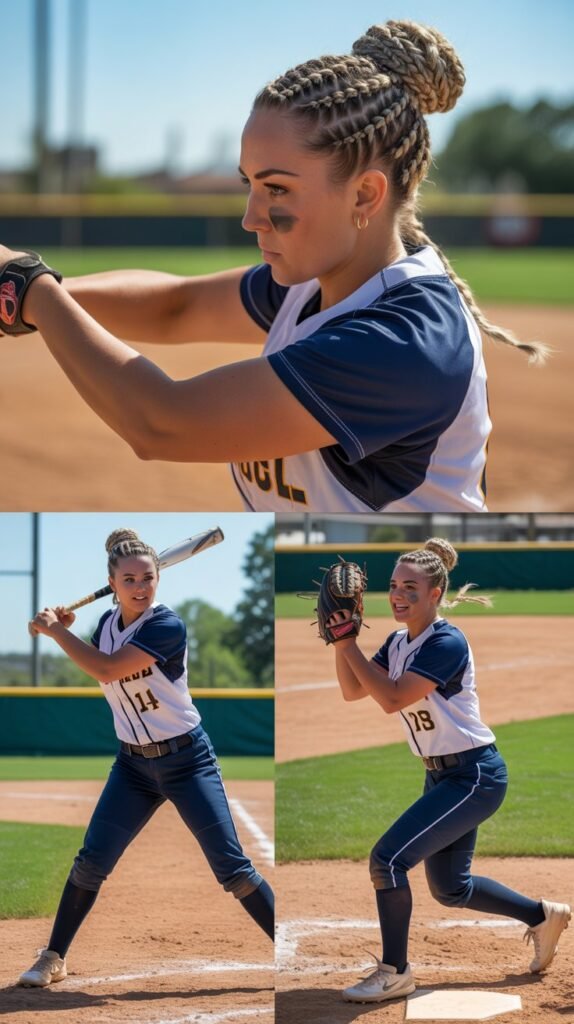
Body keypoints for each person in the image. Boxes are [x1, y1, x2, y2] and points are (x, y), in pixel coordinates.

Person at [0, 21, 548, 513]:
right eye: (250, 183)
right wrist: (29, 296)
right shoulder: (317, 281)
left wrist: (32, 291)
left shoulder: (405, 342)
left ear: (364, 195)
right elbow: (176, 307)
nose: (251, 217)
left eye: (277, 189)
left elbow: (162, 423)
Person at [18, 528, 274, 988]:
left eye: (148, 578)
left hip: (186, 761)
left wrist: (56, 631)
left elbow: (106, 668)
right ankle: (52, 955)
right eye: (130, 579)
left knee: (232, 870)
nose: (141, 587)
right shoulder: (106, 625)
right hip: (133, 767)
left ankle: (284, 949)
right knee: (90, 862)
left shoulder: (165, 625)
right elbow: (99, 656)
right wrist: (68, 632)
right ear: (112, 583)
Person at [325, 537, 569, 1004]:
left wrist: (348, 642)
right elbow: (352, 690)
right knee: (451, 888)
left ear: (435, 593)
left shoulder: (446, 641)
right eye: (394, 586)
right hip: (443, 775)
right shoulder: (398, 642)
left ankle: (394, 971)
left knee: (388, 861)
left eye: (411, 588)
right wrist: (342, 642)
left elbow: (393, 698)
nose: (398, 595)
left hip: (474, 775)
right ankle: (541, 915)